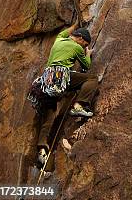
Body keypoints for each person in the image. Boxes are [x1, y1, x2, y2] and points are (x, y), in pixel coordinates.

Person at [36, 22, 98, 166]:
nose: (83, 47)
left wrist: (75, 25)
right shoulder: (76, 47)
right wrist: (87, 54)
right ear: (81, 39)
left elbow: (65, 32)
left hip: (46, 83)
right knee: (92, 79)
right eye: (84, 44)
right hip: (60, 77)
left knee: (49, 116)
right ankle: (79, 106)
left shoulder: (59, 39)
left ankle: (41, 151)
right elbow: (86, 66)